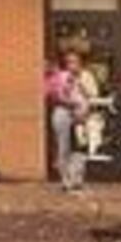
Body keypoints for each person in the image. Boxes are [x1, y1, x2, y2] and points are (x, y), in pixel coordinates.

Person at [44, 54, 84, 189]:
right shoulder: (64, 77)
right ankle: (66, 180)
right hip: (65, 113)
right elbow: (59, 97)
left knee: (76, 147)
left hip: (73, 114)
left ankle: (75, 178)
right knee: (65, 147)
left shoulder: (75, 78)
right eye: (71, 62)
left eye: (76, 62)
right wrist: (74, 104)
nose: (75, 65)